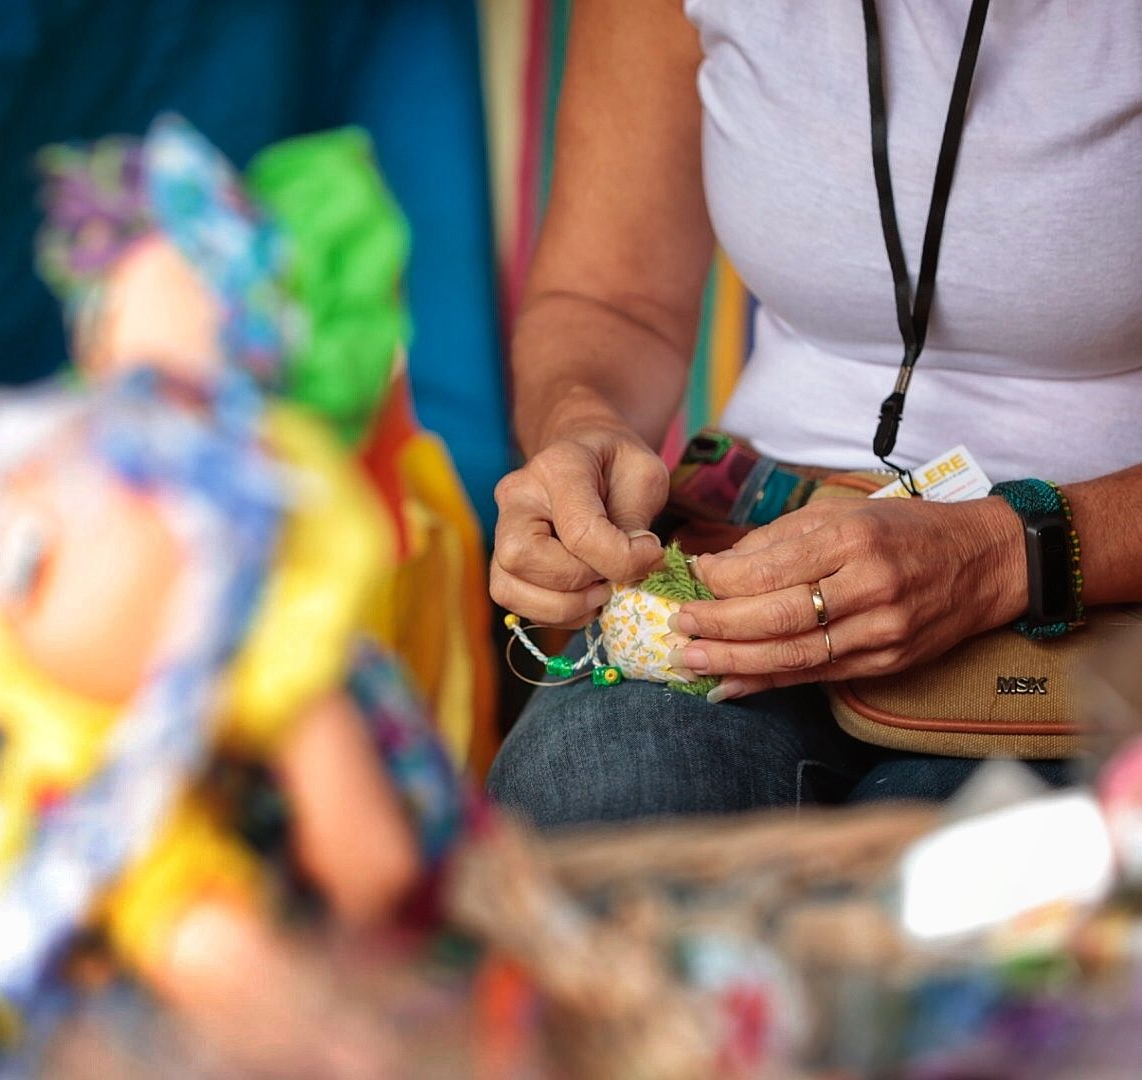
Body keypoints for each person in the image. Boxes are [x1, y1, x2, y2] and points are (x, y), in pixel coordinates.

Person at [486, 1, 1142, 828]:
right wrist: (581, 429)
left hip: (1092, 596)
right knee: (590, 809)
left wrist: (1015, 550)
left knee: (962, 906)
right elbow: (610, 297)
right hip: (741, 542)